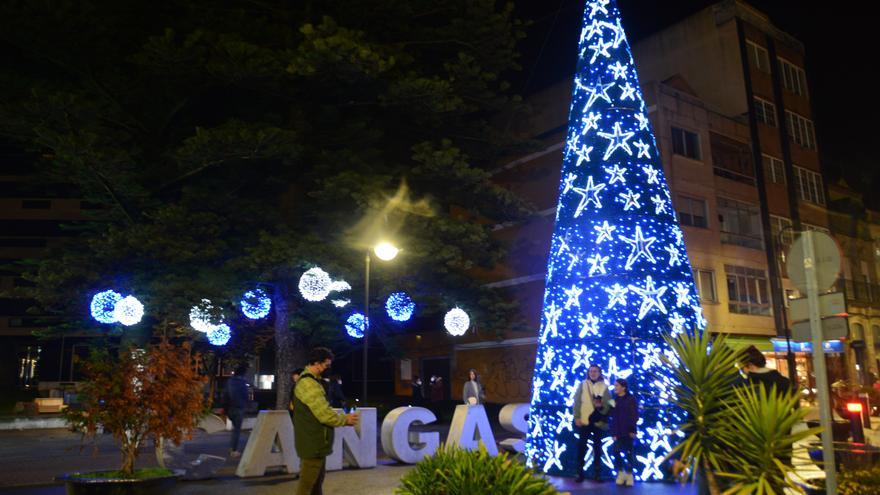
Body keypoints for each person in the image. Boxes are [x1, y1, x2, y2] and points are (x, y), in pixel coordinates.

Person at [292, 347, 359, 495]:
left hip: (315, 442)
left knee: (315, 484)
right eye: (326, 365)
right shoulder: (309, 384)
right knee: (307, 486)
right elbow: (324, 414)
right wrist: (345, 419)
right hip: (313, 442)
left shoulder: (312, 382)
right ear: (317, 363)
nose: (327, 369)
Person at [572, 364, 612, 482]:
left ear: (599, 373)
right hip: (584, 421)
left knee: (598, 447)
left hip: (598, 421)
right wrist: (577, 417)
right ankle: (579, 473)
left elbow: (610, 403)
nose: (592, 373)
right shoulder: (583, 385)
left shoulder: (604, 386)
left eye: (595, 371)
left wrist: (602, 407)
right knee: (582, 447)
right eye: (590, 371)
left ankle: (597, 474)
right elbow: (577, 402)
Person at [609, 379, 638, 487]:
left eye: (617, 386)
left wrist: (632, 430)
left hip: (628, 430)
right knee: (616, 451)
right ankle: (620, 472)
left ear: (623, 387)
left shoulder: (631, 399)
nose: (615, 387)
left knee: (629, 453)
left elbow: (634, 415)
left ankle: (630, 474)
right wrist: (613, 432)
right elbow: (611, 414)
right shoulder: (614, 399)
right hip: (617, 430)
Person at [224, 363, 250, 458]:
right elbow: (245, 395)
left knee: (235, 429)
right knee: (236, 430)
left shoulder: (230, 381)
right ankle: (234, 450)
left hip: (230, 408)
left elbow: (226, 394)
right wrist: (247, 404)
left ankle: (232, 447)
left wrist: (225, 408)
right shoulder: (242, 382)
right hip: (239, 408)